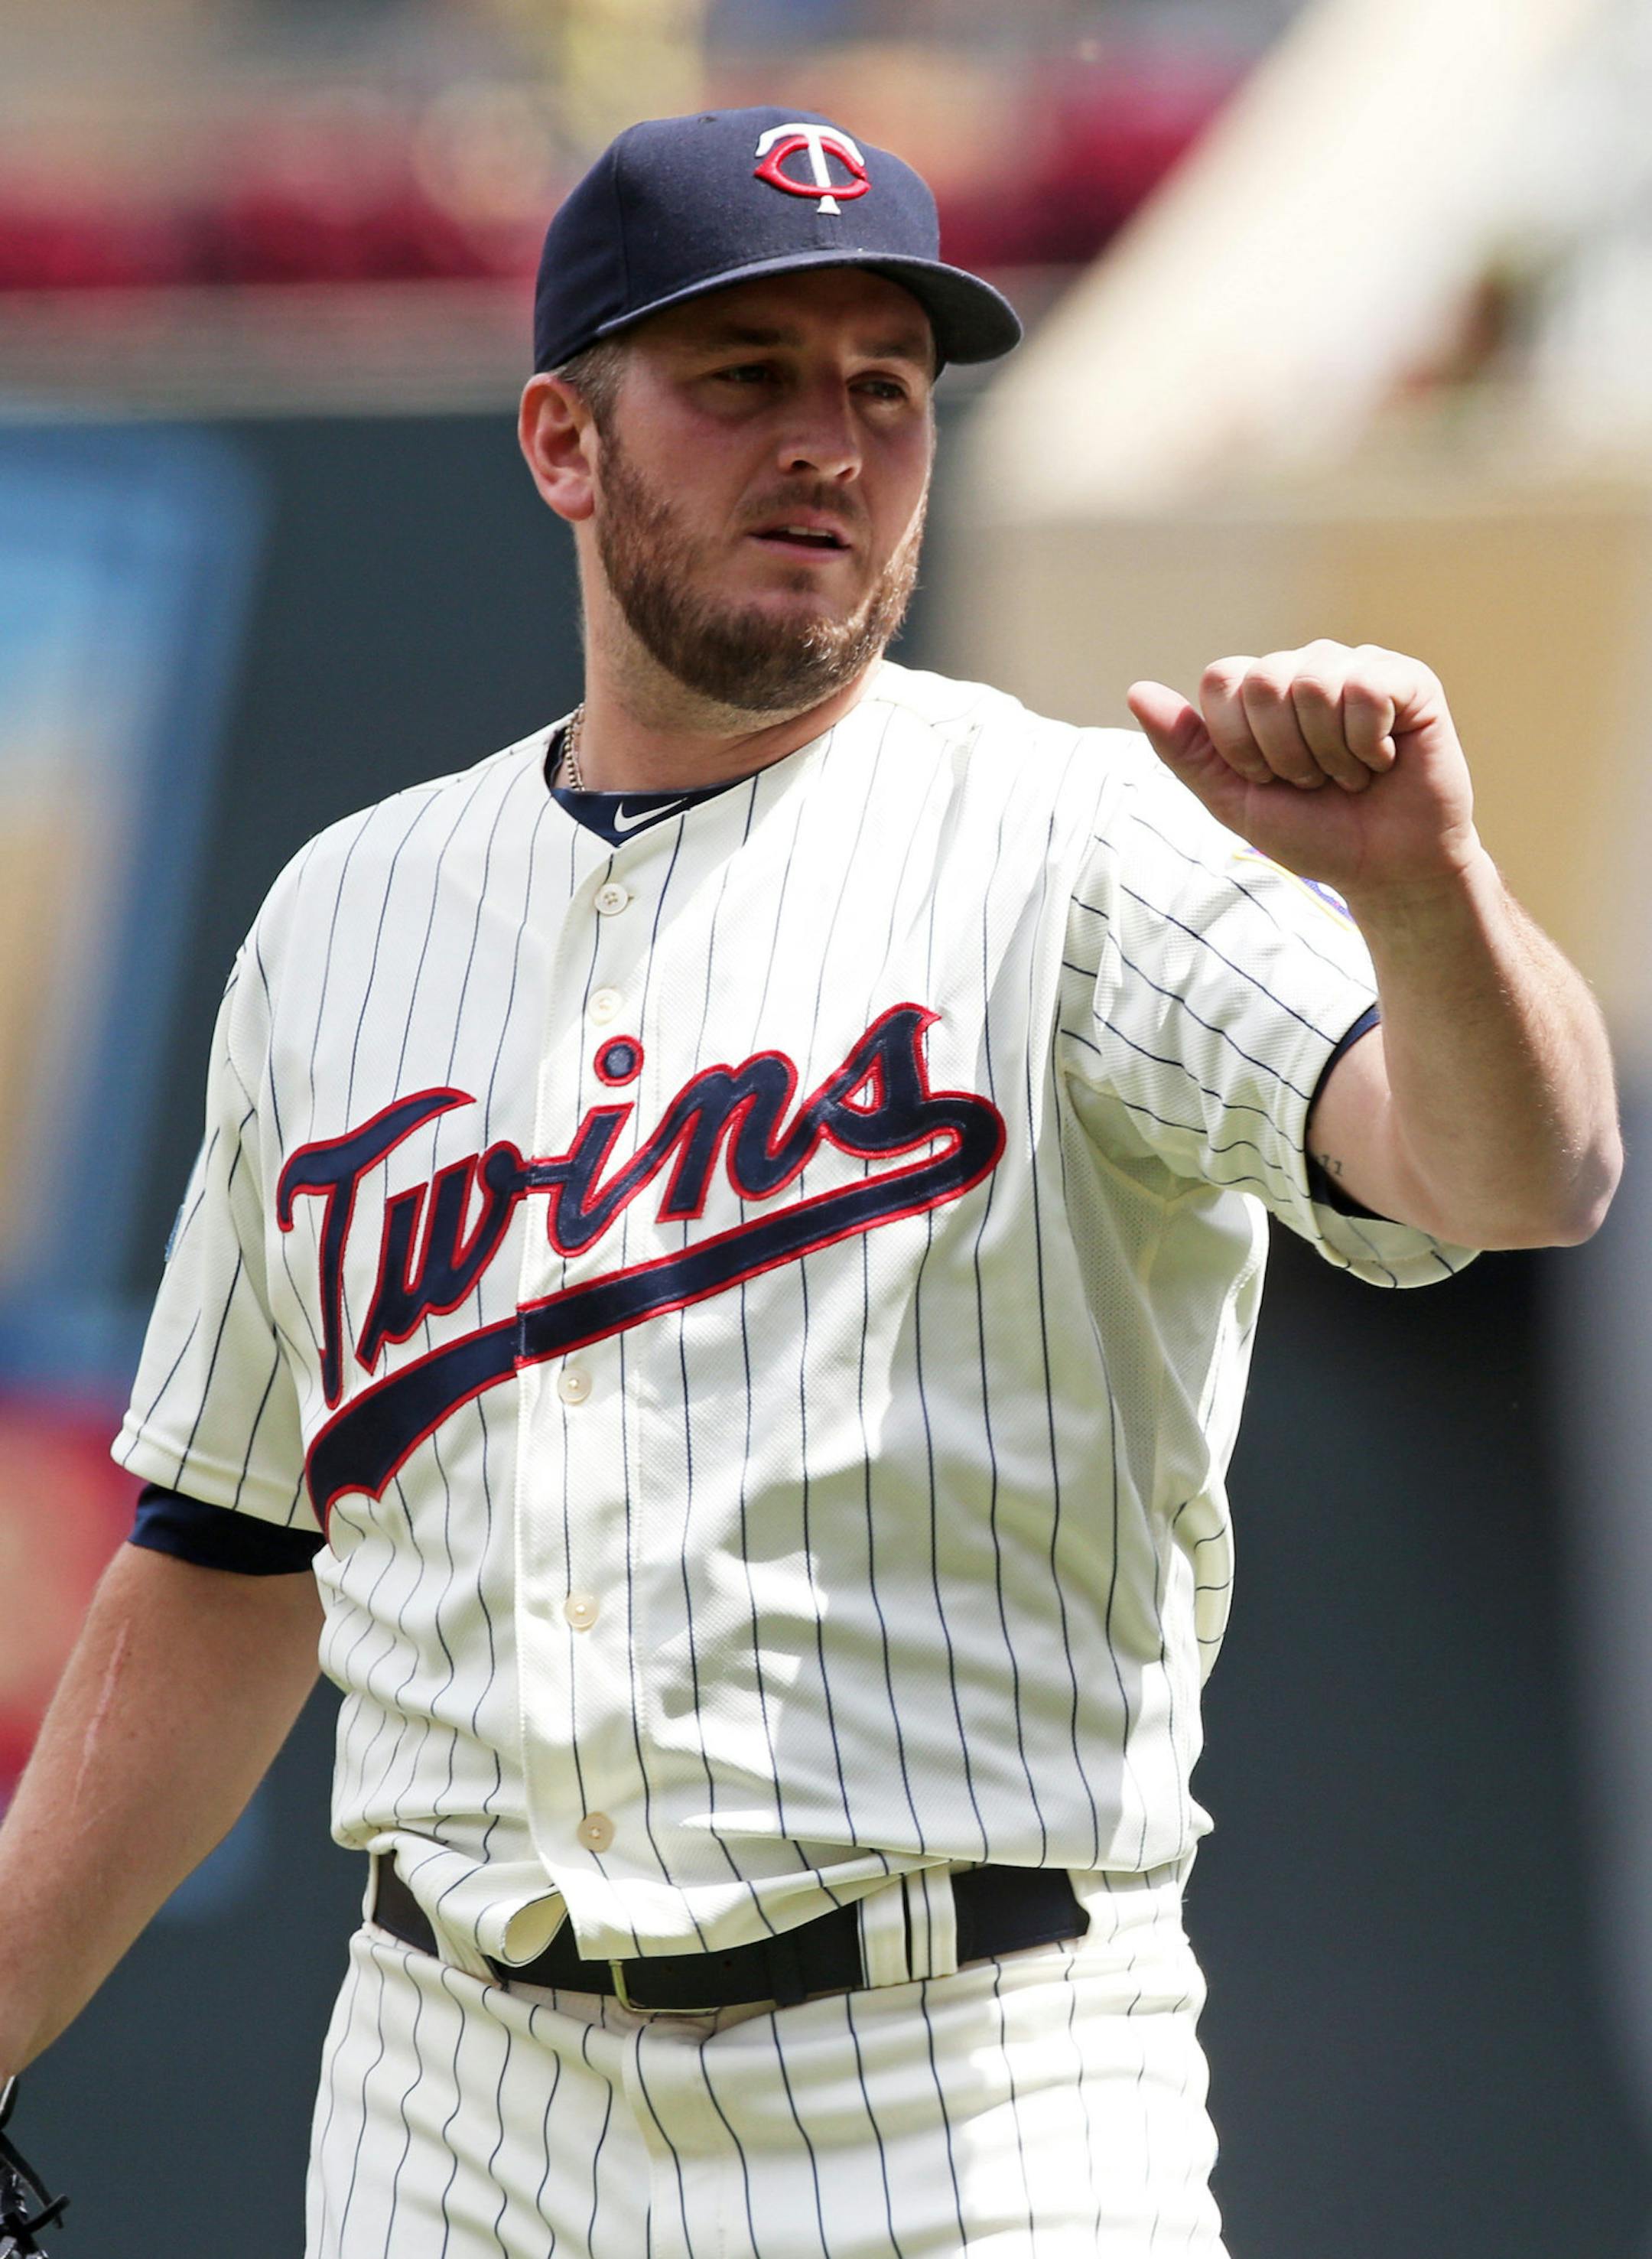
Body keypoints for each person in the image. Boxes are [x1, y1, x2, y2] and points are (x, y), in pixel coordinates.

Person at [0, 105, 1621, 2259]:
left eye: (885, 385)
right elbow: (223, 1551)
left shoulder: (1086, 840)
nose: (830, 443)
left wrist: (1427, 893)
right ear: (564, 443)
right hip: (457, 2099)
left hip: (980, 2084)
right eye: (743, 374)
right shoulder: (343, 917)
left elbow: (1526, 1167)